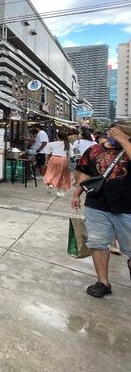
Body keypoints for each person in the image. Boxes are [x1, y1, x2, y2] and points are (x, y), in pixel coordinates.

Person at [71, 121, 131, 298]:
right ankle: (102, 282)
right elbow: (86, 174)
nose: (114, 136)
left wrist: (125, 142)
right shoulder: (94, 150)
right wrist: (77, 194)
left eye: (118, 133)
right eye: (113, 132)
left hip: (127, 207)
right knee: (98, 244)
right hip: (97, 204)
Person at [43, 131, 73, 196]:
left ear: (57, 136)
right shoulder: (68, 144)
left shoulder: (51, 144)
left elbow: (47, 153)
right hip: (63, 159)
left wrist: (46, 160)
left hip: (53, 158)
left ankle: (51, 184)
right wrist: (68, 163)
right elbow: (69, 155)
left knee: (50, 172)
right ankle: (60, 191)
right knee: (63, 175)